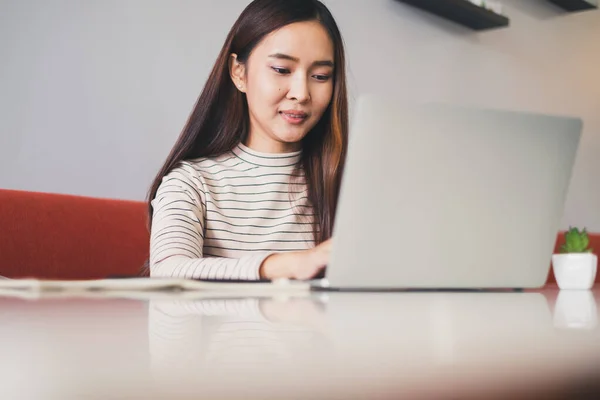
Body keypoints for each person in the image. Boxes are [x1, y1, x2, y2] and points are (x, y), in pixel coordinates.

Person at [147, 0, 348, 281]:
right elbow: (167, 272)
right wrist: (284, 266)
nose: (302, 93)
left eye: (320, 76)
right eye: (281, 69)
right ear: (239, 72)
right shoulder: (192, 182)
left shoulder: (349, 184)